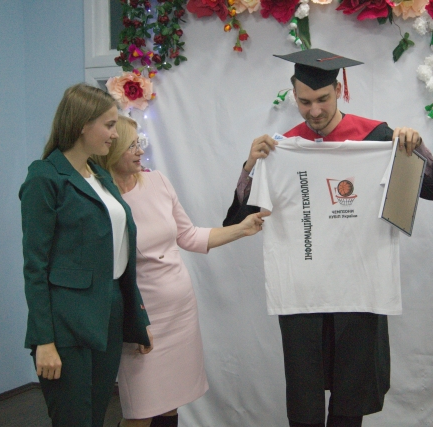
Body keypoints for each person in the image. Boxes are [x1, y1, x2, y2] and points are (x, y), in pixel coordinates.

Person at [223, 48, 433, 427]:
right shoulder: (283, 146)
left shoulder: (376, 137)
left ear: (339, 90)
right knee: (305, 396)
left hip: (359, 288)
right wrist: (251, 166)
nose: (314, 110)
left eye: (322, 99)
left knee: (351, 397)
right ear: (294, 96)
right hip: (303, 292)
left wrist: (417, 150)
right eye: (304, 102)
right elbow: (238, 218)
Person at [94, 115, 268, 427]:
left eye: (139, 142)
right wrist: (133, 322)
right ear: (110, 148)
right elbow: (108, 272)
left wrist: (242, 229)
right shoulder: (102, 200)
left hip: (180, 312)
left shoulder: (158, 182)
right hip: (142, 318)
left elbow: (188, 236)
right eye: (131, 145)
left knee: (170, 406)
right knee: (140, 413)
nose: (140, 151)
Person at [19, 83, 152, 427]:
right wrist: (44, 341)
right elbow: (35, 267)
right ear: (82, 125)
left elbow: (119, 255)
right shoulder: (45, 178)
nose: (115, 134)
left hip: (108, 311)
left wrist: (138, 319)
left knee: (95, 416)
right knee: (74, 418)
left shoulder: (100, 175)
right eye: (109, 125)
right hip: (66, 319)